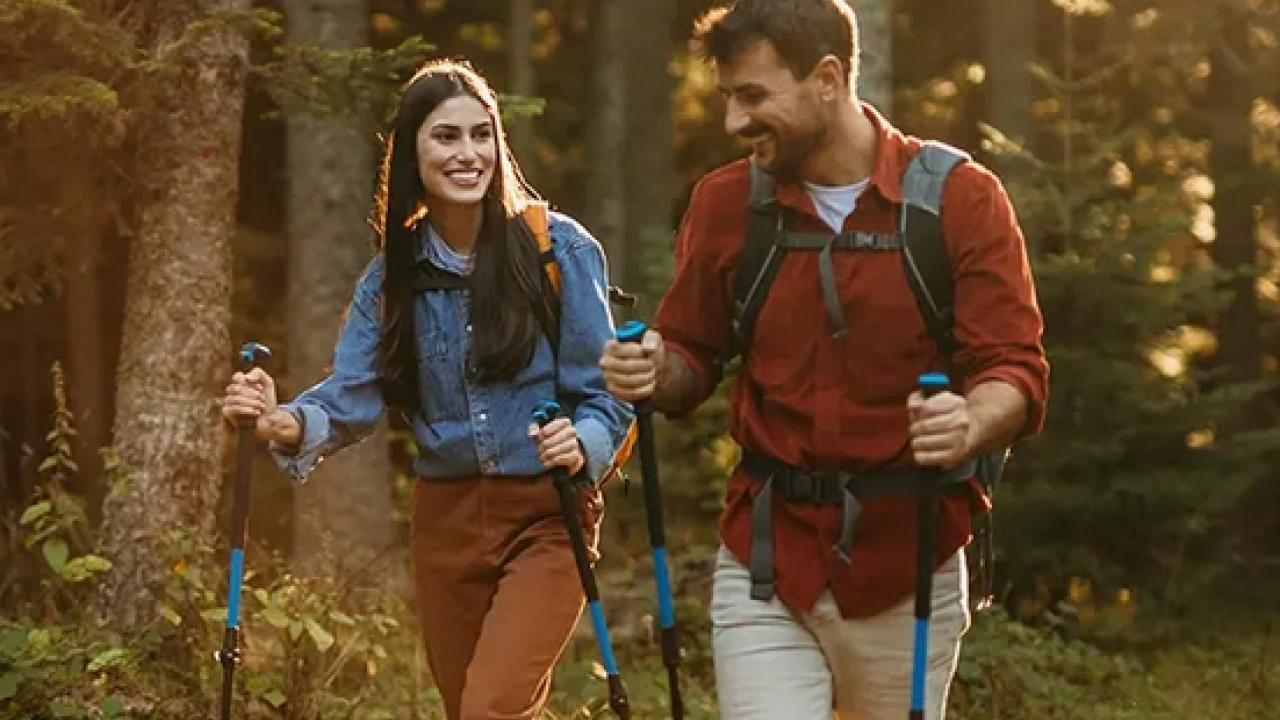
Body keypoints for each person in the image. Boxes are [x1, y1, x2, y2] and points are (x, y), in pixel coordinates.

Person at [600, 1, 1049, 718]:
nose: (733, 122)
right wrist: (655, 371)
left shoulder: (960, 201)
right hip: (766, 564)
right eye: (726, 99)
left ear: (829, 78)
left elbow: (1015, 370)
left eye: (753, 97)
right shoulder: (726, 205)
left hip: (909, 564)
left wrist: (968, 423)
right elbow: (690, 353)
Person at [220, 59, 634, 720]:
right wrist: (276, 421)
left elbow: (609, 396)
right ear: (413, 152)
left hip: (547, 514)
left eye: (481, 135)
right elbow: (348, 397)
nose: (468, 154)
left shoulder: (560, 250)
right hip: (445, 522)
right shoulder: (391, 280)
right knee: (468, 708)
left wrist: (579, 443)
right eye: (447, 137)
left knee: (490, 708)